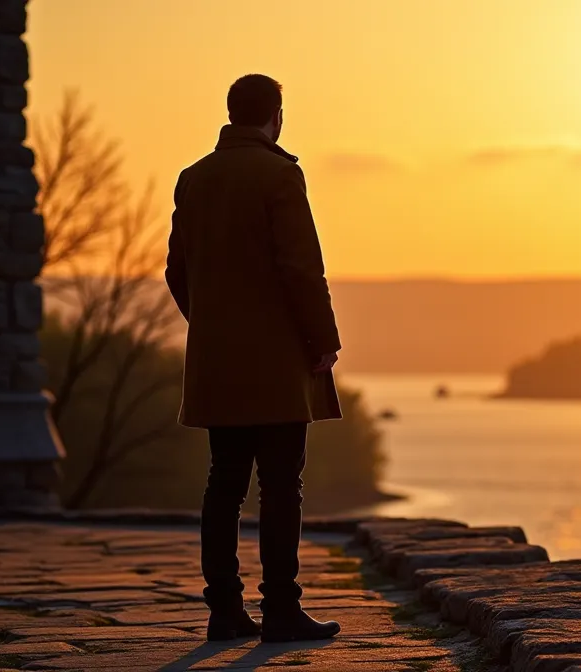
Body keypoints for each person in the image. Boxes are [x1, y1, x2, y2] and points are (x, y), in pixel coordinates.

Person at [165, 74, 344, 643]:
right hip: (277, 362)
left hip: (218, 360)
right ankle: (281, 611)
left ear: (231, 112)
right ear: (276, 116)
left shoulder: (194, 178)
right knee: (280, 485)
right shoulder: (279, 174)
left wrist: (210, 326)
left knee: (224, 483)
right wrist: (322, 339)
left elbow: (176, 271)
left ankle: (223, 611)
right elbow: (300, 267)